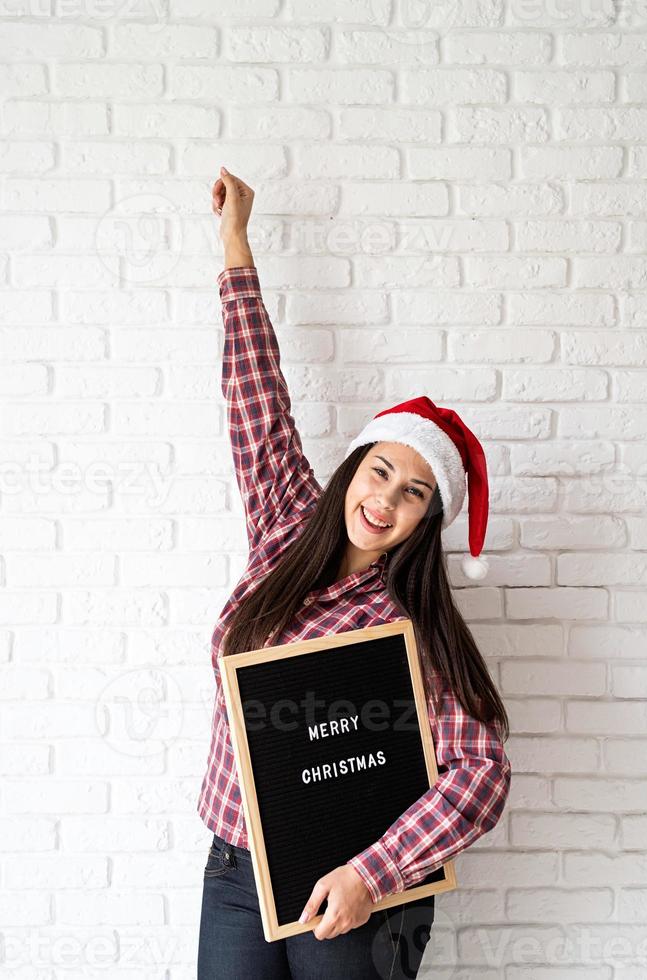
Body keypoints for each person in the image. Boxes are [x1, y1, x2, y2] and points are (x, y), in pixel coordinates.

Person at [196, 167, 512, 979]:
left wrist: (371, 875)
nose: (385, 501)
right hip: (237, 871)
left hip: (350, 894)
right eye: (379, 472)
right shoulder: (284, 531)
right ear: (352, 470)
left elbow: (480, 775)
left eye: (414, 493)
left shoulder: (415, 623)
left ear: (425, 522)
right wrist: (237, 246)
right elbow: (255, 401)